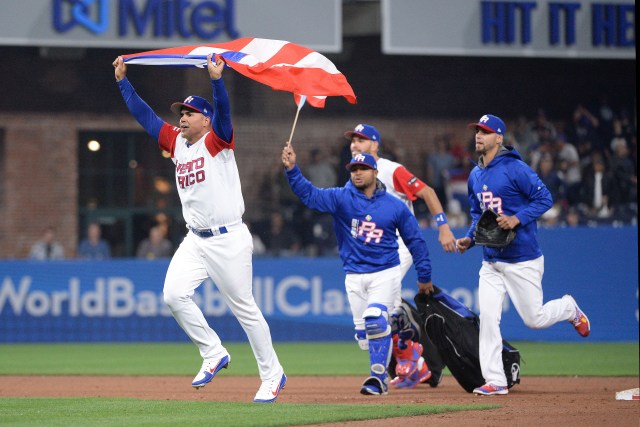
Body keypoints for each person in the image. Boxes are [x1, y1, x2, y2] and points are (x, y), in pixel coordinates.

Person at [113, 54, 285, 403]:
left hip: (229, 238)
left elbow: (224, 112)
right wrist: (122, 82)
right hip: (196, 239)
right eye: (181, 112)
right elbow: (145, 117)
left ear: (205, 120)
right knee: (173, 295)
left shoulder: (217, 139)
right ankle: (213, 352)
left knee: (244, 309)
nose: (182, 117)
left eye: (189, 113)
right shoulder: (176, 143)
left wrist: (217, 80)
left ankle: (273, 374)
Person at [455, 114, 591, 396]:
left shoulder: (515, 169)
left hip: (522, 258)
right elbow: (477, 214)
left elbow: (545, 199)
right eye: (477, 131)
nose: (478, 135)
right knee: (489, 319)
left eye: (485, 131)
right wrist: (470, 237)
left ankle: (569, 307)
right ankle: (496, 380)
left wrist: (517, 218)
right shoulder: (475, 174)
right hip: (491, 260)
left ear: (499, 138)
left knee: (535, 319)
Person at [282, 146, 434, 396]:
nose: (358, 173)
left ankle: (379, 378)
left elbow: (416, 241)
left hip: (385, 273)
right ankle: (397, 323)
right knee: (365, 337)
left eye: (363, 168)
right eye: (354, 169)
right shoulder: (341, 198)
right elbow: (309, 195)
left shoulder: (394, 206)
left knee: (375, 320)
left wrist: (424, 275)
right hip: (353, 276)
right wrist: (291, 170)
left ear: (375, 171)